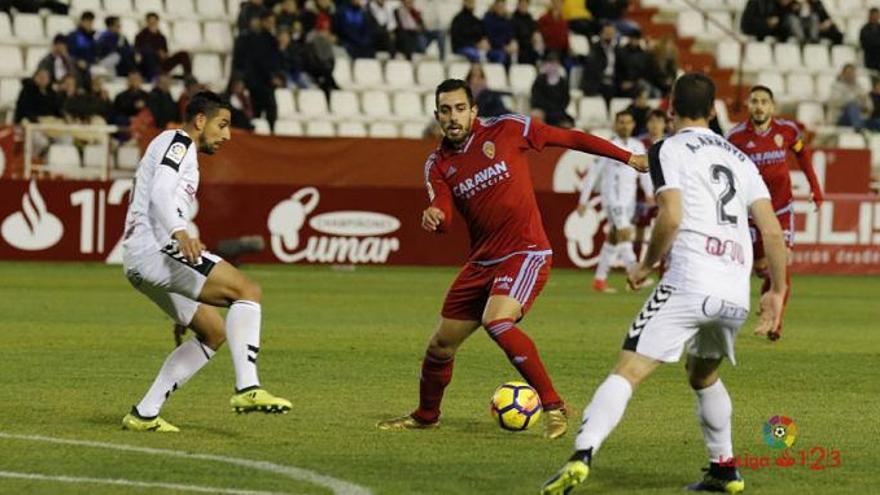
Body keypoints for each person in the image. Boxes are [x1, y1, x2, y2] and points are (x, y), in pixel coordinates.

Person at [541, 72, 788, 495]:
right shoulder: (740, 158)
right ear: (714, 111)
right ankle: (724, 470)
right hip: (734, 287)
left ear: (670, 108)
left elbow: (670, 215)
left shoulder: (667, 149)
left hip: (691, 279)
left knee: (629, 370)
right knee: (702, 374)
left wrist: (645, 264)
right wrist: (777, 291)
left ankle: (580, 455)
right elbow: (772, 232)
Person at [376, 78, 646, 439]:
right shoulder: (437, 164)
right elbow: (443, 211)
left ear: (473, 111)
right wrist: (435, 218)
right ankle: (426, 415)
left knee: (497, 321)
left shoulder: (508, 129)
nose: (453, 117)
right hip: (482, 261)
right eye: (445, 110)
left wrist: (627, 157)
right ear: (437, 115)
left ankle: (554, 405)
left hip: (526, 251)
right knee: (440, 346)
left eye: (459, 108)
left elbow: (569, 138)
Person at [120, 92, 291, 432]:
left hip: (141, 258)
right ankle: (248, 387)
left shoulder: (177, 150)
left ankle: (144, 414)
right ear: (200, 120)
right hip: (156, 250)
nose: (227, 135)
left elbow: (162, 198)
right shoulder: (178, 143)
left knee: (213, 331)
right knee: (246, 289)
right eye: (222, 125)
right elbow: (160, 193)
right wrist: (180, 232)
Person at [725, 85, 823, 340]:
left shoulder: (788, 131)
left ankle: (775, 321)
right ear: (748, 105)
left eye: (764, 101)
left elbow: (803, 157)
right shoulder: (734, 137)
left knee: (783, 259)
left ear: (772, 106)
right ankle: (768, 296)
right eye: (754, 101)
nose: (759, 106)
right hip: (751, 212)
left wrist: (815, 188)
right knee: (761, 268)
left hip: (781, 208)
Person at [577, 110, 649, 293]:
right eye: (621, 122)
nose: (625, 125)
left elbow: (644, 172)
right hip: (612, 199)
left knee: (614, 238)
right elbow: (593, 174)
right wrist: (583, 199)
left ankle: (599, 280)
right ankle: (635, 274)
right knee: (625, 234)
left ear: (633, 124)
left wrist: (649, 192)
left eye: (628, 122)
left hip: (629, 201)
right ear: (615, 125)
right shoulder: (608, 146)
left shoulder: (638, 145)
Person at [633, 109, 667, 259]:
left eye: (659, 121)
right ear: (647, 124)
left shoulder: (670, 144)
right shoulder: (638, 143)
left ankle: (656, 262)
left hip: (664, 192)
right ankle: (636, 261)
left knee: (660, 228)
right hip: (640, 194)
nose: (655, 125)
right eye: (652, 121)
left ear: (665, 124)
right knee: (640, 229)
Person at [135, 12, 193, 81]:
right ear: (147, 22)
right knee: (148, 53)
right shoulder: (141, 36)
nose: (152, 24)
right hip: (149, 65)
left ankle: (188, 77)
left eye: (154, 22)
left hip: (161, 63)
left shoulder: (161, 37)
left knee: (183, 54)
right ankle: (160, 75)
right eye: (150, 22)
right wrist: (156, 53)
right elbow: (139, 52)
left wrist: (164, 55)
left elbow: (165, 52)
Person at [530, 53, 574, 128]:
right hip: (544, 111)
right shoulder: (539, 81)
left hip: (558, 112)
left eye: (554, 64)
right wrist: (548, 108)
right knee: (537, 116)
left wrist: (557, 109)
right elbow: (536, 99)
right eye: (549, 64)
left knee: (567, 122)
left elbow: (566, 100)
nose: (552, 67)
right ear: (545, 65)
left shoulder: (563, 82)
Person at [828, 64, 872, 130]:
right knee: (853, 106)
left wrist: (864, 102)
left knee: (877, 122)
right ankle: (860, 129)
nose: (851, 75)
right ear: (843, 74)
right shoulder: (836, 86)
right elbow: (837, 102)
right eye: (849, 73)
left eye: (853, 73)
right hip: (840, 118)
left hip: (858, 117)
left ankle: (860, 127)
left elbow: (869, 106)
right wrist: (855, 97)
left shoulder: (859, 87)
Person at [860, 8, 880, 72]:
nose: (875, 17)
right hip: (871, 60)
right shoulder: (864, 29)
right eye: (874, 15)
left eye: (877, 15)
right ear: (869, 16)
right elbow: (866, 44)